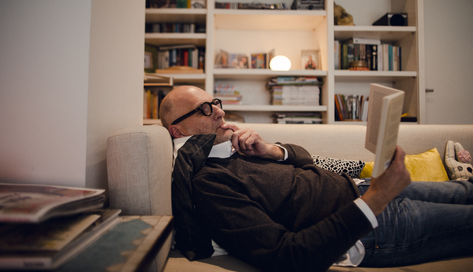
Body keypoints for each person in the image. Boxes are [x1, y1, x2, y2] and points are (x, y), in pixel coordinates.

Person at [160, 85, 473, 272]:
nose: (218, 113)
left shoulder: (238, 149)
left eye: (216, 103)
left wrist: (270, 150)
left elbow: (307, 161)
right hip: (369, 225)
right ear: (178, 131)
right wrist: (376, 199)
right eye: (203, 109)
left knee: (464, 190)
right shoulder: (210, 184)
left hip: (364, 190)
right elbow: (289, 257)